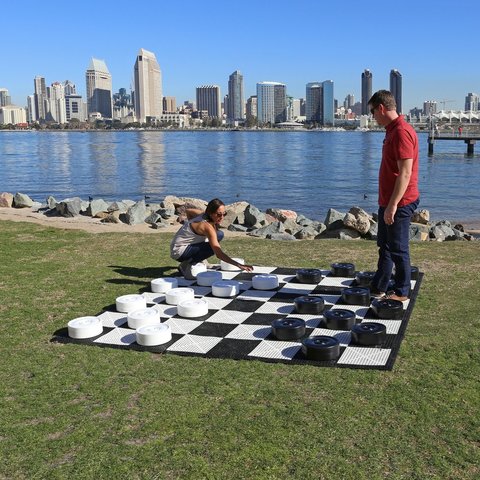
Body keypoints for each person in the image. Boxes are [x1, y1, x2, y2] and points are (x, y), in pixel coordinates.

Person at [368, 90, 419, 302]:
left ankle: (402, 292)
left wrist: (392, 206)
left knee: (398, 248)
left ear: (381, 108)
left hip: (400, 202)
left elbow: (405, 173)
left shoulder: (400, 132)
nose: (372, 117)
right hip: (389, 201)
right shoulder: (391, 130)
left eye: (372, 112)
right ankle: (379, 286)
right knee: (386, 246)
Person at [170, 198, 253, 279]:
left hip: (184, 245)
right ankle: (187, 266)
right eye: (218, 214)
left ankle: (195, 259)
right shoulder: (206, 227)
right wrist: (239, 265)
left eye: (224, 214)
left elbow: (189, 211)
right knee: (212, 247)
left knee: (219, 234)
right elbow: (219, 254)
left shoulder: (203, 214)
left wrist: (191, 227)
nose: (222, 217)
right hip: (178, 251)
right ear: (210, 213)